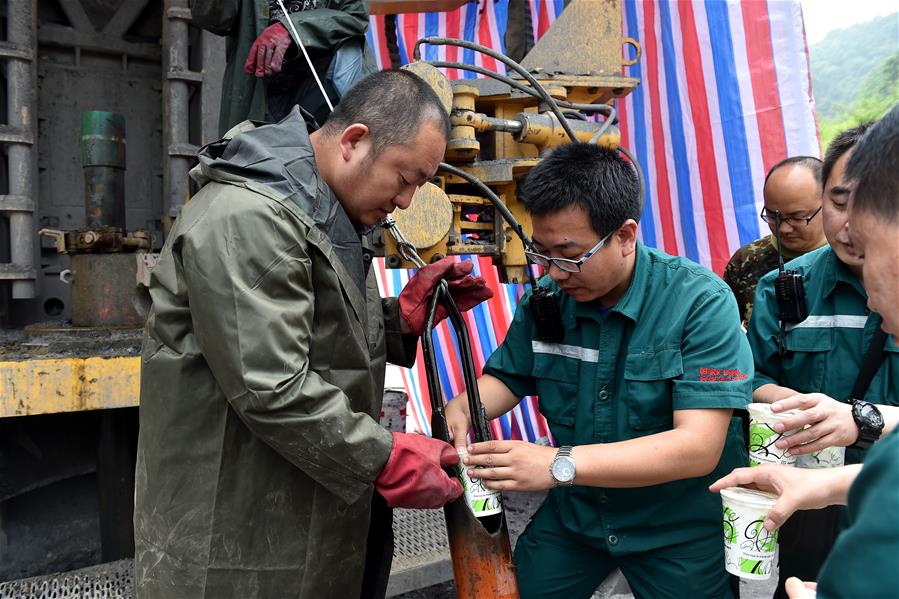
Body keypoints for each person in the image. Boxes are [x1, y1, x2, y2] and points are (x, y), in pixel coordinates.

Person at [133, 70, 495, 599]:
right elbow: (271, 382)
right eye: (406, 178)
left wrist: (398, 321)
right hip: (236, 517)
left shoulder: (324, 207)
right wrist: (386, 456)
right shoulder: (249, 216)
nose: (407, 202)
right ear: (354, 141)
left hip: (298, 500)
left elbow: (302, 327)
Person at [444, 143, 753, 599]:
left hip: (677, 531)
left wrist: (556, 464)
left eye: (569, 255)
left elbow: (698, 447)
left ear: (625, 236)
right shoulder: (548, 300)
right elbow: (510, 377)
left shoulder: (701, 303)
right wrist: (464, 408)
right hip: (579, 519)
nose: (554, 271)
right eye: (542, 253)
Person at [711, 104, 899, 599]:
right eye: (840, 202)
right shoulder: (781, 286)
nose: (850, 223)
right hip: (806, 482)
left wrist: (861, 419)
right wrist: (789, 402)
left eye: (867, 203)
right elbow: (740, 375)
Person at [192, 0, 374, 135]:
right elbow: (212, 19)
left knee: (350, 50)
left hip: (319, 97)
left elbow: (355, 16)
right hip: (257, 97)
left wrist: (292, 29)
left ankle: (363, 138)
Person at [723, 157, 826, 324]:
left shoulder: (850, 257)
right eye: (773, 216)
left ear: (828, 204)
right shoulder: (746, 261)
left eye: (797, 217)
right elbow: (726, 334)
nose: (783, 229)